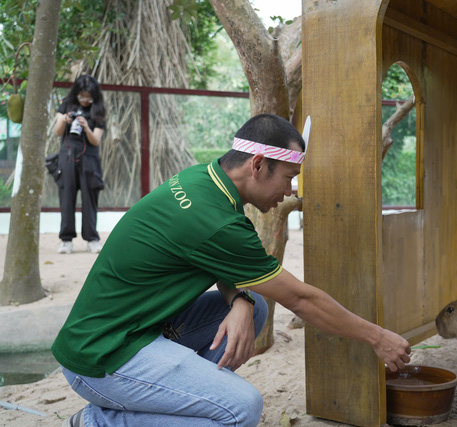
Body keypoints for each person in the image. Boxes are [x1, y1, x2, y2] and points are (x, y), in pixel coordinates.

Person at [53, 114, 411, 426]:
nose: (289, 191)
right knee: (241, 410)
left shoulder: (205, 181)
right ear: (257, 165)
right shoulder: (217, 223)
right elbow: (302, 300)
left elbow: (215, 260)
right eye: (288, 177)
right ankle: (99, 421)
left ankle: (185, 401)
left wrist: (240, 299)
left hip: (129, 329)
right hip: (102, 357)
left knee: (254, 308)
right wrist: (377, 338)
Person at [53, 75, 106, 254]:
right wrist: (64, 120)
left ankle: (92, 239)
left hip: (89, 159)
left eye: (88, 97)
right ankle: (66, 240)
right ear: (76, 93)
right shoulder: (67, 105)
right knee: (66, 198)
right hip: (67, 157)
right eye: (82, 96)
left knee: (90, 199)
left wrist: (86, 127)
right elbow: (58, 132)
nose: (85, 100)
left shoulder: (98, 110)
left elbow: (96, 140)